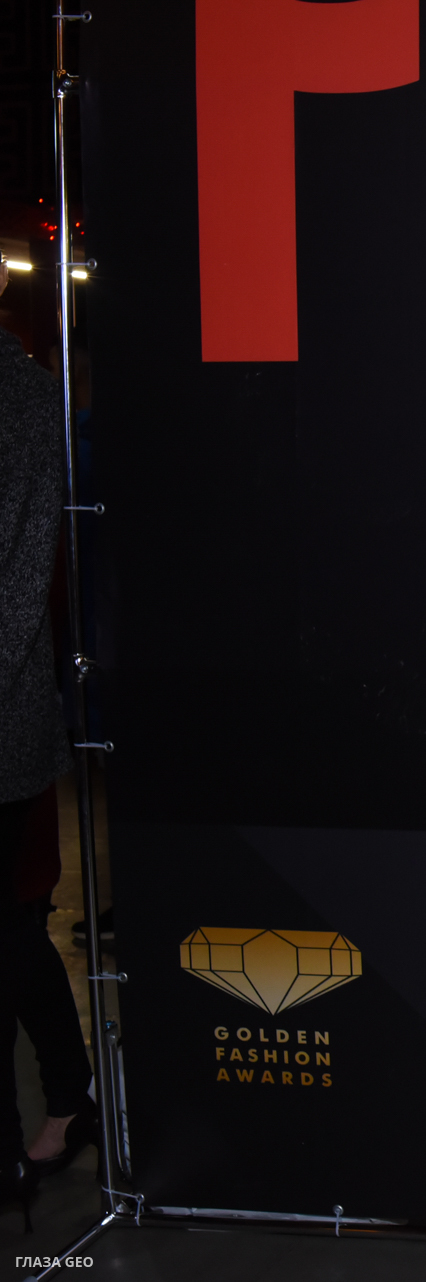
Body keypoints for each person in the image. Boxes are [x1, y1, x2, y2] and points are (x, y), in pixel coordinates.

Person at [0, 253, 95, 1213]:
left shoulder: (25, 397)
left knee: (11, 927)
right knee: (13, 929)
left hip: (3, 712)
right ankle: (69, 1096)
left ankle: (56, 1110)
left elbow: (26, 576)